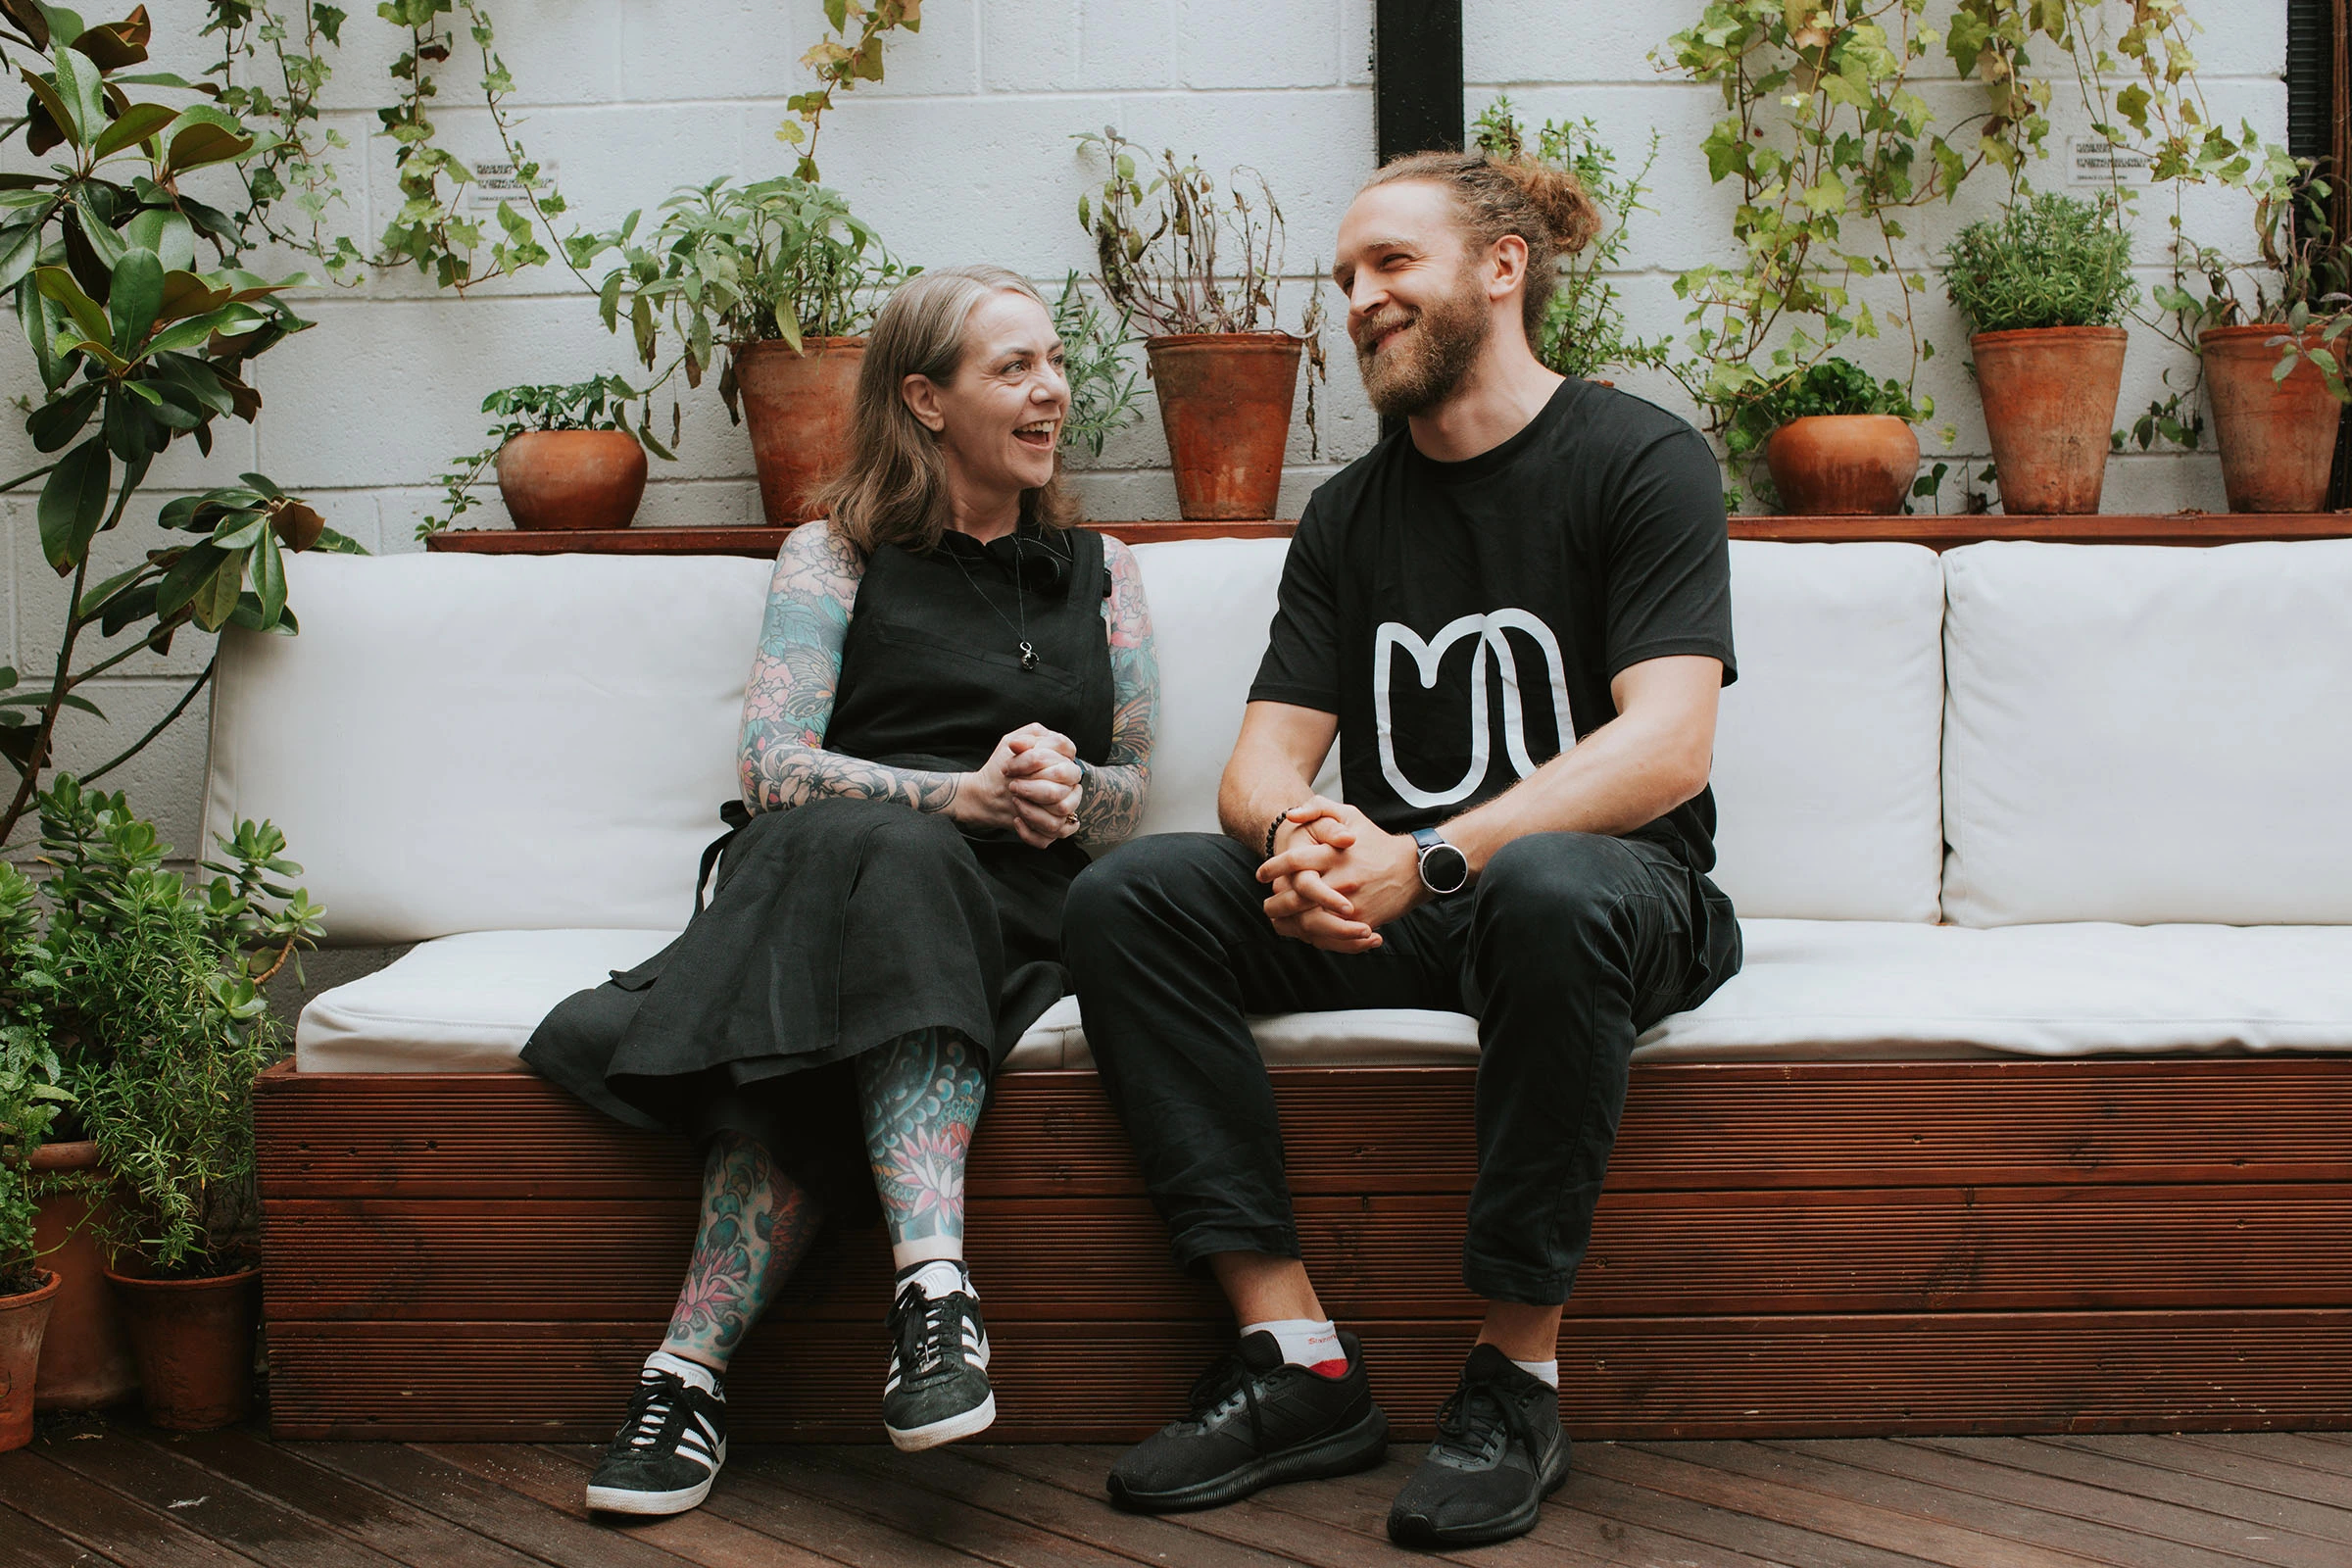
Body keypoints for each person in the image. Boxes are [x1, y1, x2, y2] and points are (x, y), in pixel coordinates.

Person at [1061, 149, 1740, 1549]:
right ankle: (1294, 1359)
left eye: (1391, 267)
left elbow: (1668, 745)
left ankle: (1513, 1379)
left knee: (1545, 883)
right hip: (1408, 899)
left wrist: (1426, 854)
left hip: (1621, 902)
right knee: (1133, 897)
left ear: (1502, 269)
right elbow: (1261, 762)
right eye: (1348, 279)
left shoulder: (1641, 458)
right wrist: (1302, 839)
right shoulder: (1353, 513)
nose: (1359, 301)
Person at [523, 264, 1158, 1518]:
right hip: (822, 872)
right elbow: (771, 767)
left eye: (1053, 364)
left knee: (842, 989)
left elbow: (1138, 785)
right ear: (924, 399)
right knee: (895, 862)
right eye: (1013, 369)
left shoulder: (1105, 570)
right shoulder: (836, 555)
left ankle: (686, 1378)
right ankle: (934, 1291)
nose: (1051, 393)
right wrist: (956, 797)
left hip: (1011, 910)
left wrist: (1067, 787)